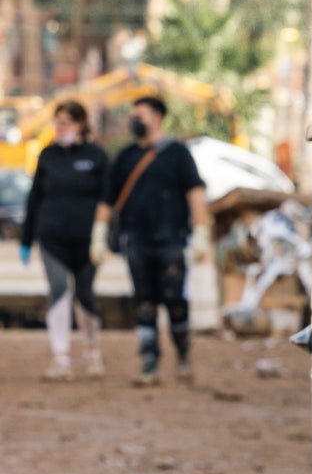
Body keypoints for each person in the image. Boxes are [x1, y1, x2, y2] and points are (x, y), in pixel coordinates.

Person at [103, 95, 210, 386]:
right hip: (136, 241)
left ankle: (183, 353)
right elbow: (107, 200)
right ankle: (149, 363)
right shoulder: (125, 157)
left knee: (175, 300)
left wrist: (201, 233)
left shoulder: (178, 154)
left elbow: (195, 194)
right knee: (144, 302)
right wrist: (97, 236)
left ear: (158, 117)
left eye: (141, 114)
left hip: (171, 241)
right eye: (133, 114)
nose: (135, 120)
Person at [20, 100, 109, 381]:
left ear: (80, 124)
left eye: (66, 122)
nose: (60, 127)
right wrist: (26, 238)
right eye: (57, 121)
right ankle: (61, 357)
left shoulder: (97, 156)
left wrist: (103, 234)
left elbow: (107, 197)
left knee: (84, 294)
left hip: (86, 239)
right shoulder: (47, 156)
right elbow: (34, 198)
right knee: (58, 290)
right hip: (52, 238)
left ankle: (92, 351)